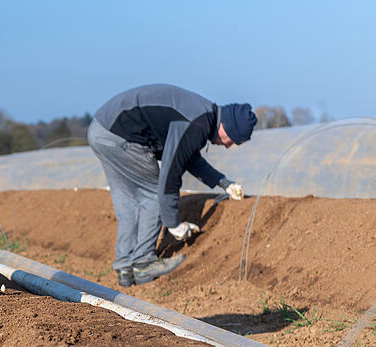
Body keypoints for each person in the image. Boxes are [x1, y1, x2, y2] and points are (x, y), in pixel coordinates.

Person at [88, 84, 256, 287]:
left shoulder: (201, 115)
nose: (229, 145)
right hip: (123, 136)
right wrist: (173, 223)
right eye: (233, 140)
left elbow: (187, 157)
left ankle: (125, 266)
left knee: (128, 203)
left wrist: (223, 182)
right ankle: (143, 262)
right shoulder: (198, 123)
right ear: (227, 127)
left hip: (102, 130)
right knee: (152, 194)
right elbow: (171, 172)